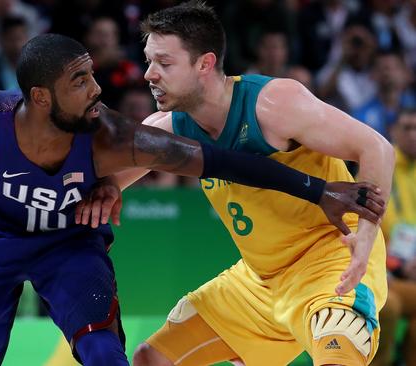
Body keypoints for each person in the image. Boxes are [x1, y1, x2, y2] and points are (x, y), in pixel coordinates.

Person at [0, 34, 385, 366]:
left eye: (94, 74)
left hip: (69, 245)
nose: (102, 87)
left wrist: (318, 188)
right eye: (80, 81)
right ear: (39, 97)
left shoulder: (113, 132)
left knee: (103, 349)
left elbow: (219, 161)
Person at [78, 2, 394, 365]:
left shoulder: (273, 104)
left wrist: (367, 237)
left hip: (331, 259)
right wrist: (102, 189)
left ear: (205, 64)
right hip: (259, 280)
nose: (149, 74)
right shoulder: (169, 128)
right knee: (152, 358)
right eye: (149, 61)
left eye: (164, 63)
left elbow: (376, 148)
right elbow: (104, 181)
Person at [372, 109, 416, 366]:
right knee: (388, 307)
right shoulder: (378, 168)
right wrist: (396, 264)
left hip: (411, 275)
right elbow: (359, 231)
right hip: (382, 274)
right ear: (394, 132)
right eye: (407, 128)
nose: (413, 135)